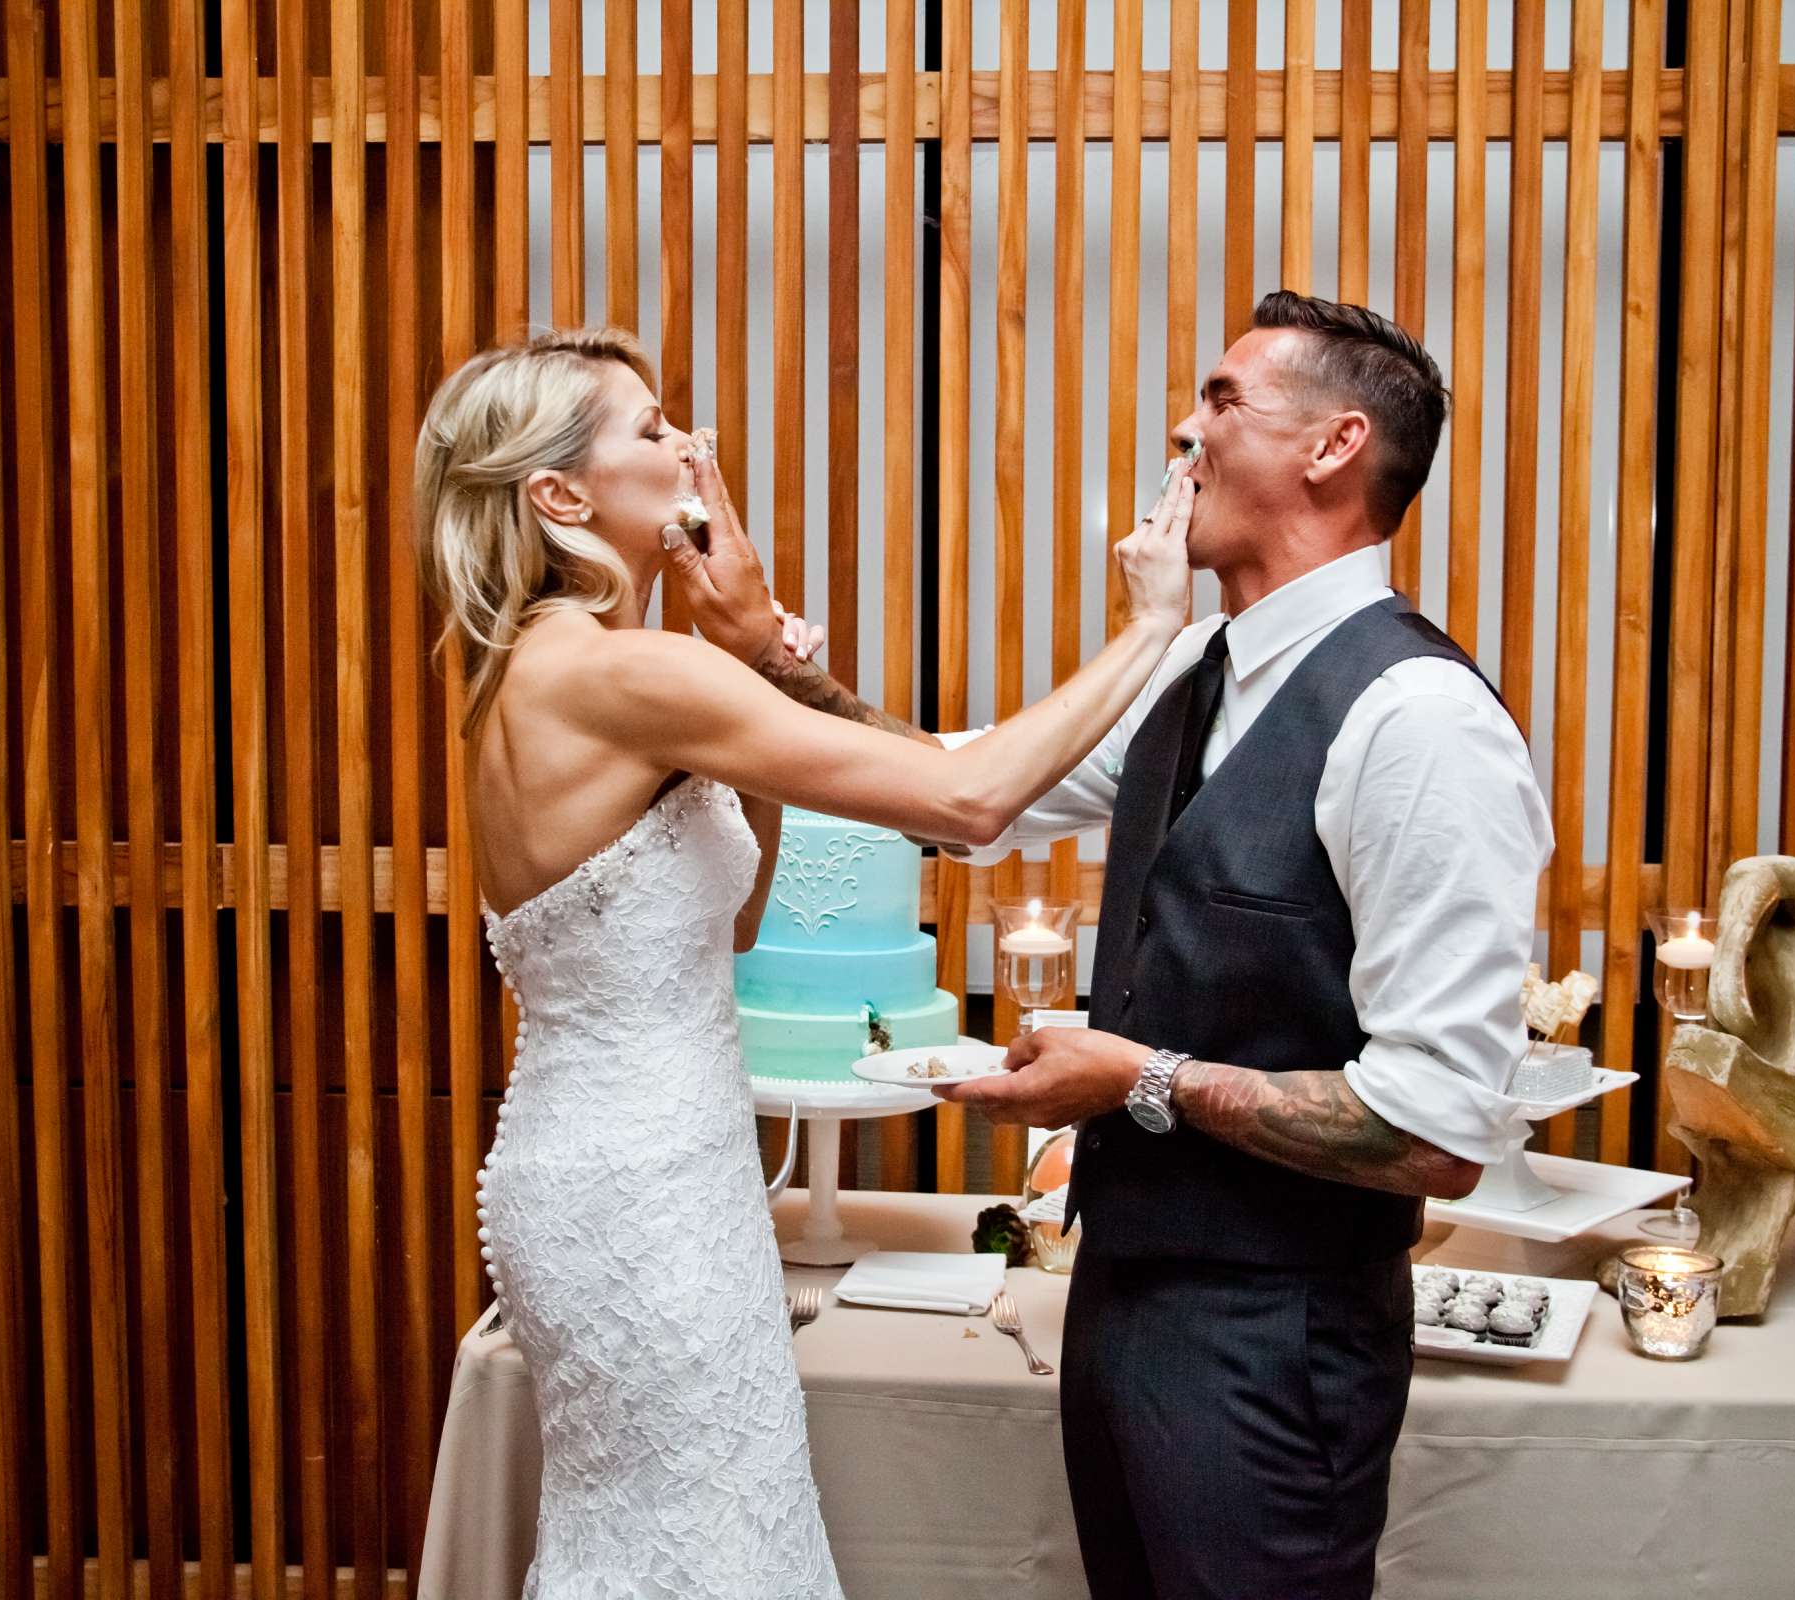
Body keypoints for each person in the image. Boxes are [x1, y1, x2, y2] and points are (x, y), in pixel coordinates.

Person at [699, 291, 1551, 1598]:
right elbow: (958, 792)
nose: (1180, 429)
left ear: (1331, 446)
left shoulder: (1421, 721)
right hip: (1124, 1297)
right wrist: (766, 651)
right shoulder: (1191, 664)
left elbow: (1439, 1135)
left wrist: (1135, 1079)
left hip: (1283, 1335)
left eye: (1219, 401)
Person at [411, 326, 1194, 1599]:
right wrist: (1151, 626)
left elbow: (729, 911)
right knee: (701, 1540)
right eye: (653, 428)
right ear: (557, 494)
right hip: (643, 1193)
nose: (691, 448)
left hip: (625, 1160)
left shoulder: (535, 673)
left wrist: (747, 678)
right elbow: (972, 802)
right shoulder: (627, 676)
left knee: (669, 1531)